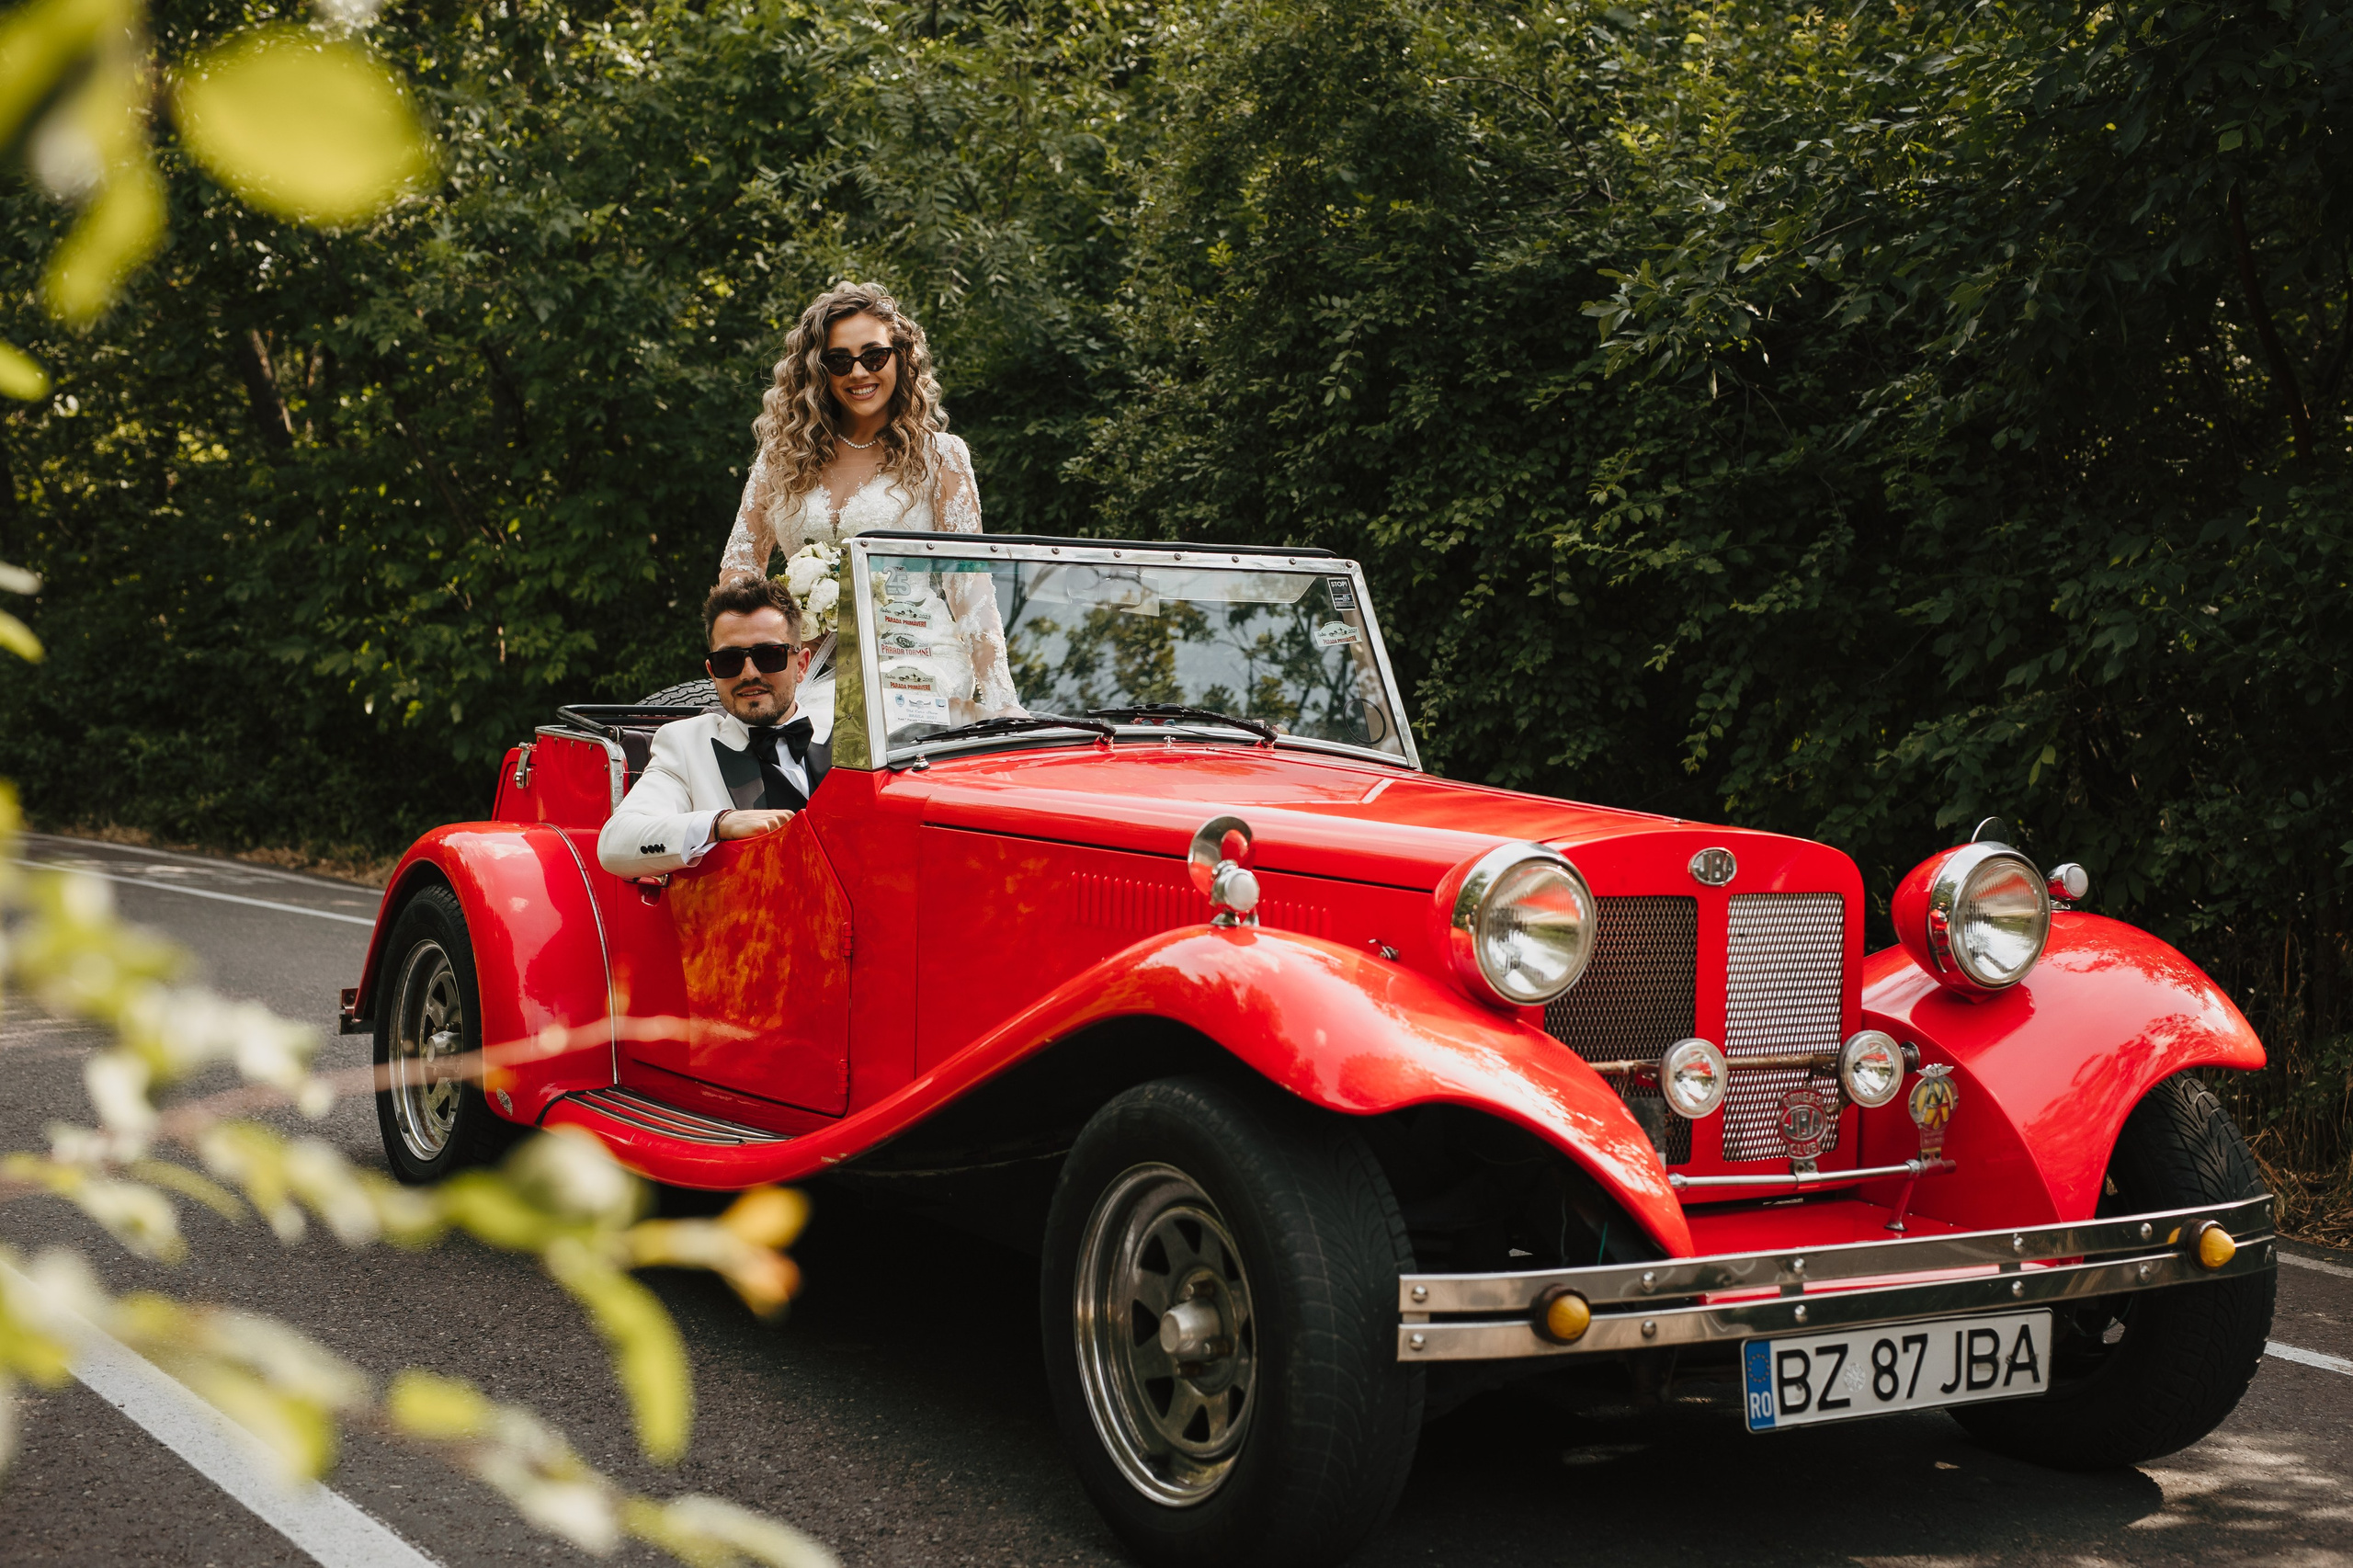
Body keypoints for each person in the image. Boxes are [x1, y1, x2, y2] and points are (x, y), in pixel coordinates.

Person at [719, 280, 1018, 725]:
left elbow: (970, 590)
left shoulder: (941, 457)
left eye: (874, 356)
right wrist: (763, 644)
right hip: (803, 663)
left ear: (901, 358)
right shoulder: (780, 460)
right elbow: (740, 570)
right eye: (840, 361)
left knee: (836, 722)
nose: (858, 372)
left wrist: (1001, 698)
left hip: (915, 656)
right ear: (818, 371)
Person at [597, 578, 826, 880]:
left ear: (802, 665)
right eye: (729, 660)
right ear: (712, 672)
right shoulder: (685, 745)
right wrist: (718, 824)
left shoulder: (853, 737)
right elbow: (614, 844)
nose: (749, 673)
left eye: (769, 655)